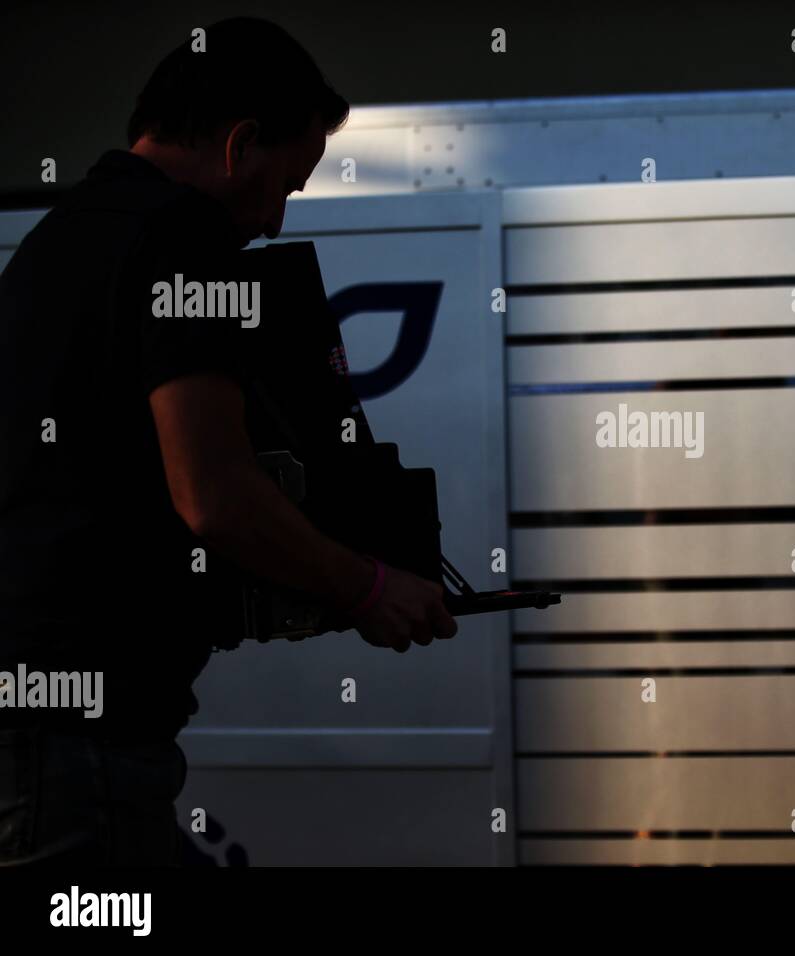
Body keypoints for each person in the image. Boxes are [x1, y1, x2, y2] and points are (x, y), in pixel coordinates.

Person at [0, 18, 456, 866]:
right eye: (287, 182)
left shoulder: (64, 238)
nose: (277, 221)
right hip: (74, 750)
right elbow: (213, 491)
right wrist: (367, 587)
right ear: (240, 145)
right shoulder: (179, 240)